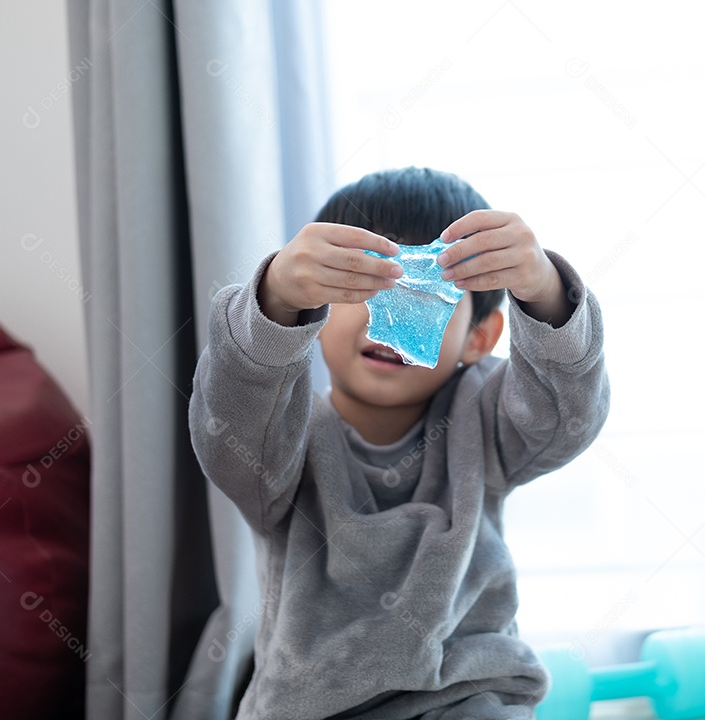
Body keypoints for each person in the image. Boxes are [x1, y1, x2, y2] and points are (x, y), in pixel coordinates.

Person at [190, 166, 609, 719]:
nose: (386, 318)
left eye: (427, 298)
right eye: (363, 289)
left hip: (466, 698)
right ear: (316, 310)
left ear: (478, 339)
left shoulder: (485, 419)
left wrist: (547, 294)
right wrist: (272, 301)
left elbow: (566, 419)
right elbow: (228, 422)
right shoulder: (277, 439)